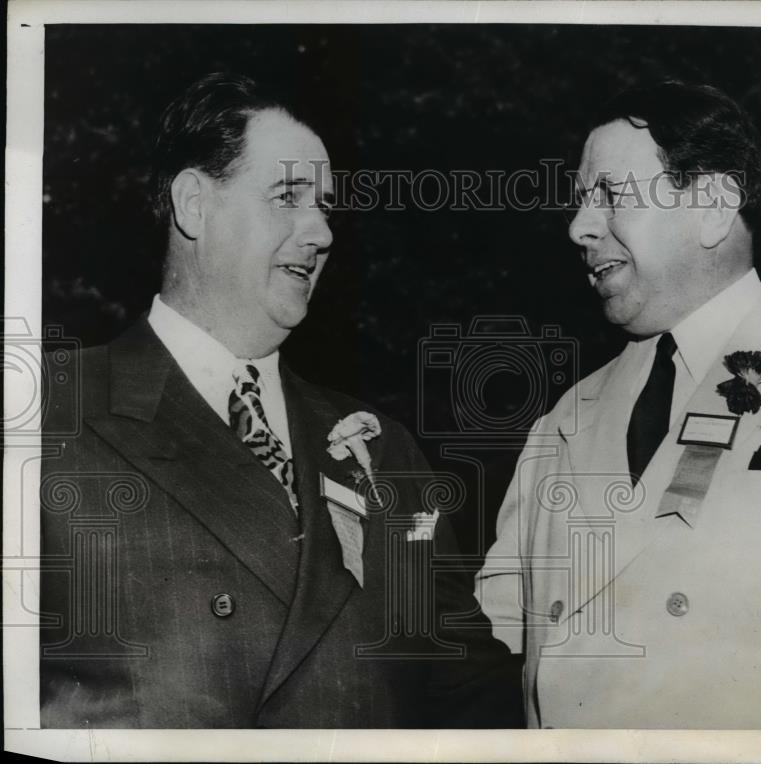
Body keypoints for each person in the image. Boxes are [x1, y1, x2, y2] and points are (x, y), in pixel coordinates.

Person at [40, 73, 522, 728]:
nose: (320, 232)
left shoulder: (388, 449)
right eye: (288, 197)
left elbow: (471, 693)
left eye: (324, 206)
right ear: (194, 205)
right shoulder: (45, 414)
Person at [475, 80, 761, 729]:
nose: (578, 226)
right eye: (579, 201)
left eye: (609, 194)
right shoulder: (564, 421)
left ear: (714, 206)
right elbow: (487, 645)